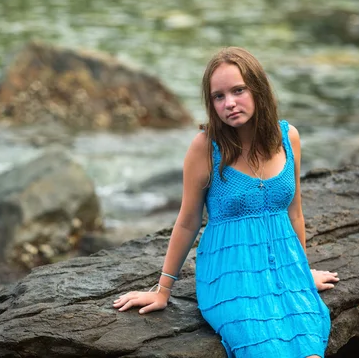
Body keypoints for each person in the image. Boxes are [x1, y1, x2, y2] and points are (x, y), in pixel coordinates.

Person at [113, 47, 339, 357]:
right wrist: (162, 290)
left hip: (284, 269)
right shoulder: (205, 148)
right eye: (218, 96)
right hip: (231, 275)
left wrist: (301, 269)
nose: (229, 103)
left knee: (310, 345)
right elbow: (188, 220)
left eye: (238, 90)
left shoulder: (289, 138)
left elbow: (294, 213)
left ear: (257, 89)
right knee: (264, 347)